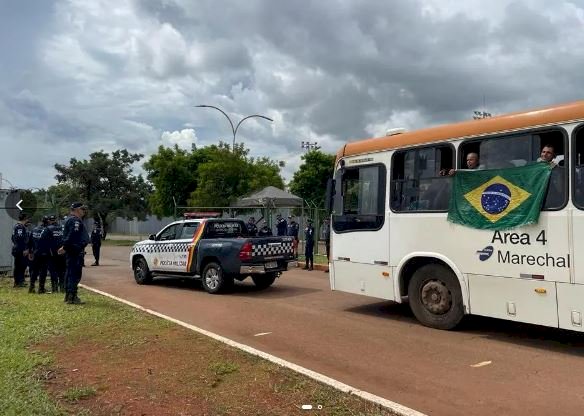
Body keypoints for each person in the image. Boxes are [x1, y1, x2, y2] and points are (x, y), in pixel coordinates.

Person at [59, 202, 89, 304]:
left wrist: (65, 247)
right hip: (75, 251)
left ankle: (68, 296)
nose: (84, 211)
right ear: (76, 209)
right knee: (74, 274)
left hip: (72, 250)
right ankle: (72, 297)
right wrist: (66, 247)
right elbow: (72, 236)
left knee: (70, 273)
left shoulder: (67, 220)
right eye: (82, 209)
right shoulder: (75, 221)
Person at [28, 216, 54, 294]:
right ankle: (41, 288)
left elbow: (30, 241)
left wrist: (30, 252)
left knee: (34, 270)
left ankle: (31, 288)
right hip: (44, 253)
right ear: (48, 222)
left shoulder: (35, 229)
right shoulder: (48, 230)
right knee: (43, 271)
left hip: (36, 253)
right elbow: (50, 242)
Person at [47, 215, 66, 292]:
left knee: (53, 271)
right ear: (56, 220)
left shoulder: (48, 229)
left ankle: (54, 289)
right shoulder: (62, 228)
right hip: (62, 253)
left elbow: (44, 241)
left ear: (49, 221)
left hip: (52, 254)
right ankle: (62, 288)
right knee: (62, 271)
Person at [11, 212, 29, 288]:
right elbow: (20, 239)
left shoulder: (17, 226)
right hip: (19, 249)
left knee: (22, 265)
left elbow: (13, 238)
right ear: (24, 219)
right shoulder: (20, 227)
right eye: (27, 219)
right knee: (19, 265)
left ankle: (21, 280)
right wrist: (24, 249)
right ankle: (18, 282)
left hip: (17, 248)